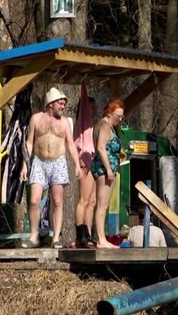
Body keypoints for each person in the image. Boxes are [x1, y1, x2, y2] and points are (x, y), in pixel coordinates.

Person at [20, 87, 82, 249]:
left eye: (63, 104)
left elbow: (70, 144)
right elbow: (29, 142)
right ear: (51, 104)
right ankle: (33, 237)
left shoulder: (64, 123)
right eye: (60, 104)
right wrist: (24, 165)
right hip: (39, 162)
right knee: (34, 200)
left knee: (57, 201)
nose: (62, 107)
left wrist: (77, 164)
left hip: (58, 162)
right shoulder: (36, 119)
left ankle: (56, 238)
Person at [91, 99, 125, 249]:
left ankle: (101, 238)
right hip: (104, 170)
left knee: (102, 204)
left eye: (122, 116)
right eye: (118, 115)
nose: (120, 119)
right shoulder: (105, 126)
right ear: (109, 112)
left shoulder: (104, 125)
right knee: (102, 204)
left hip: (105, 168)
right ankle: (101, 240)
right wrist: (109, 170)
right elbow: (101, 148)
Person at [73, 94, 97, 248]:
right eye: (91, 108)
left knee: (92, 201)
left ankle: (88, 232)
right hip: (85, 163)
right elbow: (76, 145)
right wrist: (81, 163)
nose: (94, 111)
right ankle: (80, 233)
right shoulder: (80, 125)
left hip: (95, 163)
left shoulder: (92, 125)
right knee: (84, 199)